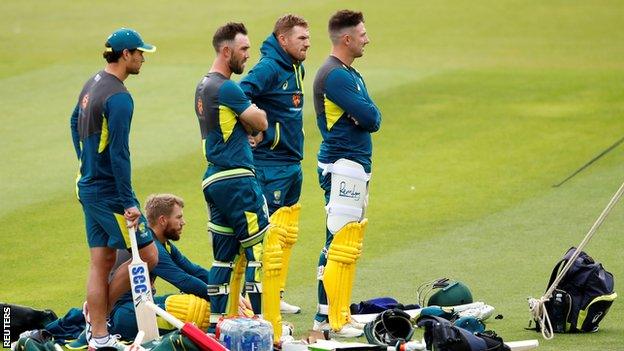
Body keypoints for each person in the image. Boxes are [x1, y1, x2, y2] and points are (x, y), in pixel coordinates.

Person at [45, 194, 252, 345]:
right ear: (163, 220)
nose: (183, 222)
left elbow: (194, 271)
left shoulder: (163, 244)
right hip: (124, 314)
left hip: (137, 307)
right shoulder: (152, 248)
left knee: (189, 304)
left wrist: (229, 290)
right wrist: (223, 297)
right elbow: (183, 281)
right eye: (178, 217)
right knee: (189, 309)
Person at [69, 27, 159, 350]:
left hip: (87, 187)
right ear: (126, 55)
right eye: (140, 54)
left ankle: (100, 336)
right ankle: (98, 318)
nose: (142, 60)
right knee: (149, 255)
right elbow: (120, 154)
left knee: (102, 260)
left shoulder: (92, 83)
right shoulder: (120, 97)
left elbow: (72, 121)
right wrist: (129, 202)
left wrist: (86, 162)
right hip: (109, 195)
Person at [193, 22, 273, 330]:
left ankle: (216, 326)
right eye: (243, 50)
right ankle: (258, 324)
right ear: (226, 51)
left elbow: (235, 125)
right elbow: (261, 120)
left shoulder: (203, 86)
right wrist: (251, 124)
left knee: (222, 259)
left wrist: (245, 128)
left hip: (213, 179)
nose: (247, 56)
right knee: (259, 252)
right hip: (236, 178)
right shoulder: (227, 88)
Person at [311, 10, 382, 338]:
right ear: (347, 39)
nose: (367, 39)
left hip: (354, 167)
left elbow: (373, 116)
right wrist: (366, 114)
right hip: (343, 167)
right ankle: (325, 318)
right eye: (363, 34)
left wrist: (367, 114)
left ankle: (339, 312)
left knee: (347, 242)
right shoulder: (335, 76)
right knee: (337, 241)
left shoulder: (350, 74)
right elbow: (369, 116)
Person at [239, 14, 311, 315]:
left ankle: (275, 293)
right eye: (301, 38)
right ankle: (253, 301)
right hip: (270, 163)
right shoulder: (269, 67)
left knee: (285, 234)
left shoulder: (297, 67)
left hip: (291, 162)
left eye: (308, 38)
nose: (307, 43)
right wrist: (255, 131)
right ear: (283, 40)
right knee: (266, 235)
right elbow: (240, 94)